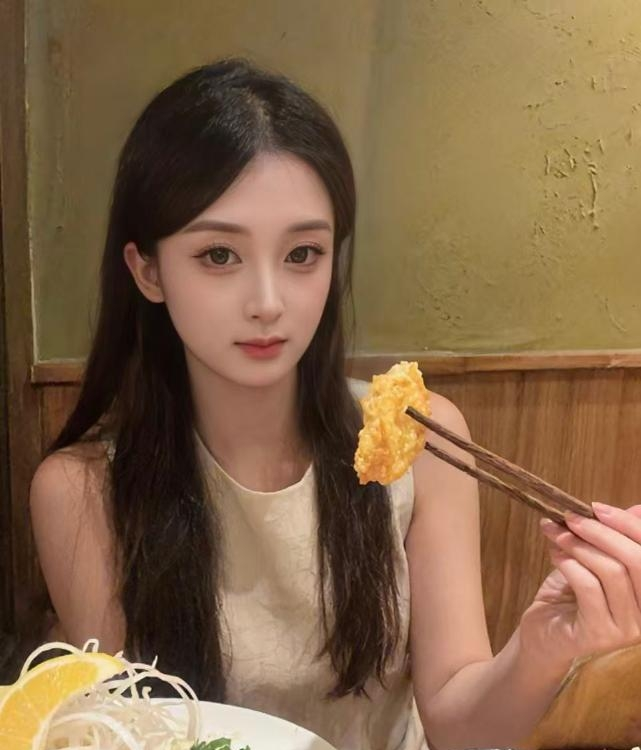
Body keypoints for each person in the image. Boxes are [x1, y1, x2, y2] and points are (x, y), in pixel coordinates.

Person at [29, 58, 641, 750]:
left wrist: (542, 646)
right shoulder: (82, 491)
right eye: (219, 256)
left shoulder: (419, 439)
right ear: (147, 270)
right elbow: (126, 733)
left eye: (302, 254)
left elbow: (459, 727)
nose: (268, 302)